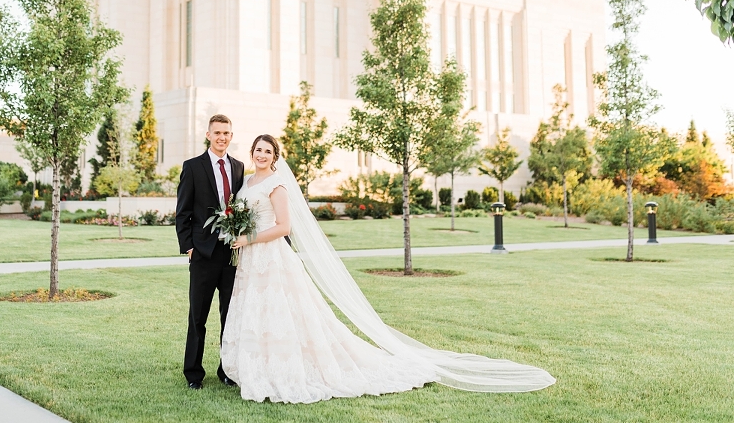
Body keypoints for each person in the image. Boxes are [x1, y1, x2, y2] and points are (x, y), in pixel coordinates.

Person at [220, 134, 556, 404]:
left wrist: (248, 238)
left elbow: (284, 227)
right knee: (256, 313)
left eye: (267, 151)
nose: (262, 155)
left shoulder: (276, 185)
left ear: (275, 157)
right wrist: (239, 233)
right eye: (258, 150)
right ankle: (253, 368)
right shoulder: (248, 182)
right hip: (251, 260)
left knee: (282, 313)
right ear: (252, 152)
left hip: (271, 256)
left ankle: (284, 370)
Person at [175, 114, 245, 390]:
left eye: (226, 133)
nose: (222, 137)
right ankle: (193, 373)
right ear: (208, 134)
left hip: (231, 255)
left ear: (231, 135)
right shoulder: (192, 167)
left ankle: (226, 370)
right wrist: (189, 247)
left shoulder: (238, 167)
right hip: (203, 254)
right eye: (217, 133)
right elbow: (183, 212)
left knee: (231, 315)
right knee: (198, 317)